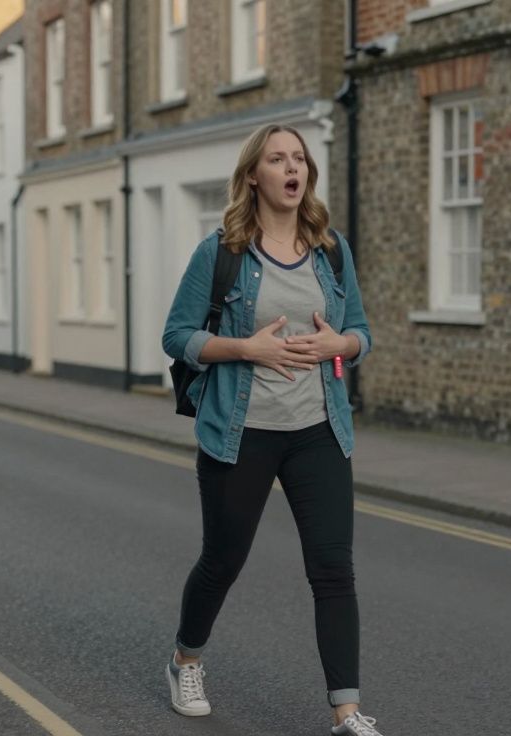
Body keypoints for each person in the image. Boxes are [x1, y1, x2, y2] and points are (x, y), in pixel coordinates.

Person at [162, 124, 383, 736]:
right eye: (278, 159)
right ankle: (185, 659)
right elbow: (177, 337)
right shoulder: (222, 252)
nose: (293, 168)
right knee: (224, 560)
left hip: (318, 428)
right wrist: (244, 348)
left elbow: (361, 333)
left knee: (333, 569)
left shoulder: (331, 250)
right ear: (254, 176)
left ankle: (346, 709)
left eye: (300, 159)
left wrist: (342, 343)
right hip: (242, 431)